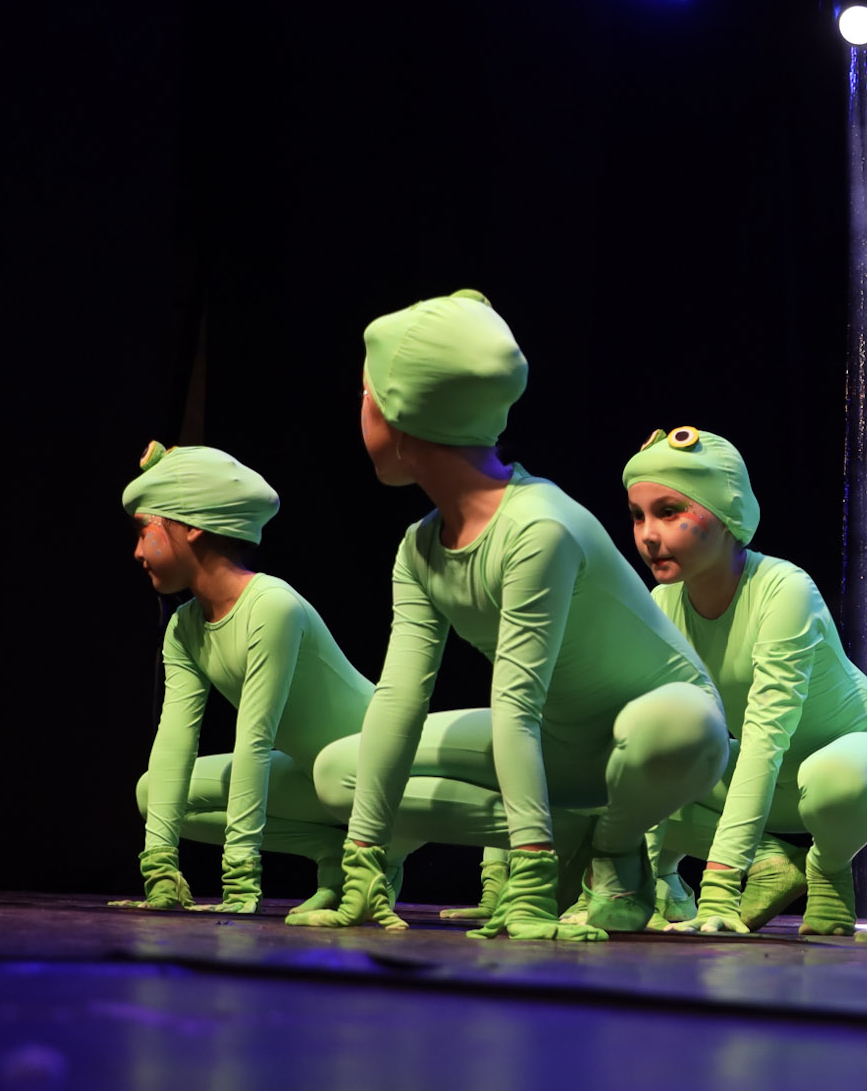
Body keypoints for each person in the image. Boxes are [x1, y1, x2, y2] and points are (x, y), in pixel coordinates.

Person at [298, 289, 728, 940]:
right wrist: (366, 859)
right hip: (556, 749)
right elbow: (399, 699)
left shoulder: (538, 526)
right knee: (338, 772)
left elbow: (516, 701)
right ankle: (570, 831)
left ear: (401, 410)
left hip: (647, 741)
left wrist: (528, 879)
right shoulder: (419, 547)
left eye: (366, 392)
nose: (360, 407)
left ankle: (613, 848)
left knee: (681, 723)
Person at [595, 426, 867, 936]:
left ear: (727, 514)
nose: (648, 534)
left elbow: (766, 736)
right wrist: (636, 879)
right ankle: (709, 874)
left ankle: (827, 868)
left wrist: (721, 887)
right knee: (626, 761)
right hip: (774, 783)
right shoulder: (663, 603)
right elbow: (652, 753)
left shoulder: (784, 589)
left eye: (669, 512)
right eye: (637, 515)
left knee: (833, 780)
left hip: (864, 768)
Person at [118, 443, 391, 916]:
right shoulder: (184, 628)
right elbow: (175, 741)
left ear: (192, 527)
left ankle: (375, 859)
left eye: (145, 531)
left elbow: (255, 738)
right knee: (153, 789)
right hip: (314, 778)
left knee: (314, 768)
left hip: (379, 774)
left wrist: (240, 883)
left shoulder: (271, 605)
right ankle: (330, 853)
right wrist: (160, 870)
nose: (138, 551)